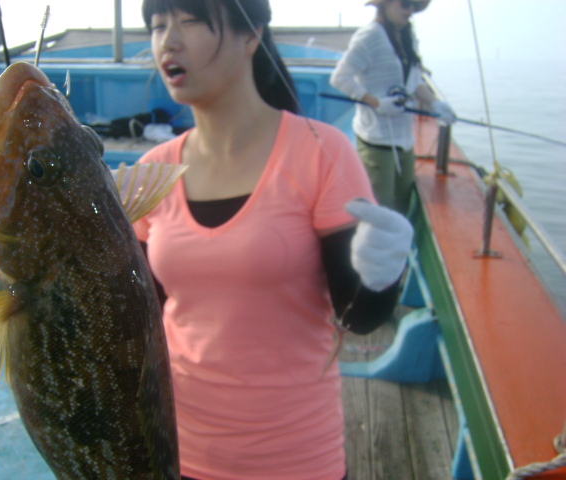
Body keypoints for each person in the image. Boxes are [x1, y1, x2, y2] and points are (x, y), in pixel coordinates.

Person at [135, 0, 413, 478]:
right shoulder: (151, 172)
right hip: (178, 452)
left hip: (297, 456)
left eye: (191, 21)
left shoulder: (322, 151)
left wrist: (384, 276)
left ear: (251, 34)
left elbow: (358, 315)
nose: (169, 42)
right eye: (158, 26)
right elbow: (141, 319)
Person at [330, 0, 456, 215]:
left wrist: (435, 103)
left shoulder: (408, 37)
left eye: (415, 5)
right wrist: (377, 102)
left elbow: (415, 82)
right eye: (405, 3)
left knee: (402, 205)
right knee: (381, 210)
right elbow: (340, 78)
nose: (411, 10)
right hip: (377, 143)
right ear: (385, 4)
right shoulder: (370, 36)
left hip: (405, 142)